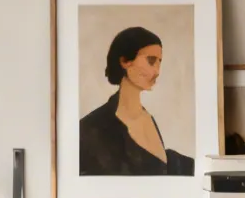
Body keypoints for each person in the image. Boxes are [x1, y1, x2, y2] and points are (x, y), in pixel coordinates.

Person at [78, 25, 195, 176]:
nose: (157, 71)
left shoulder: (148, 118)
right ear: (125, 61)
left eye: (159, 62)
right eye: (151, 61)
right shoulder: (91, 128)